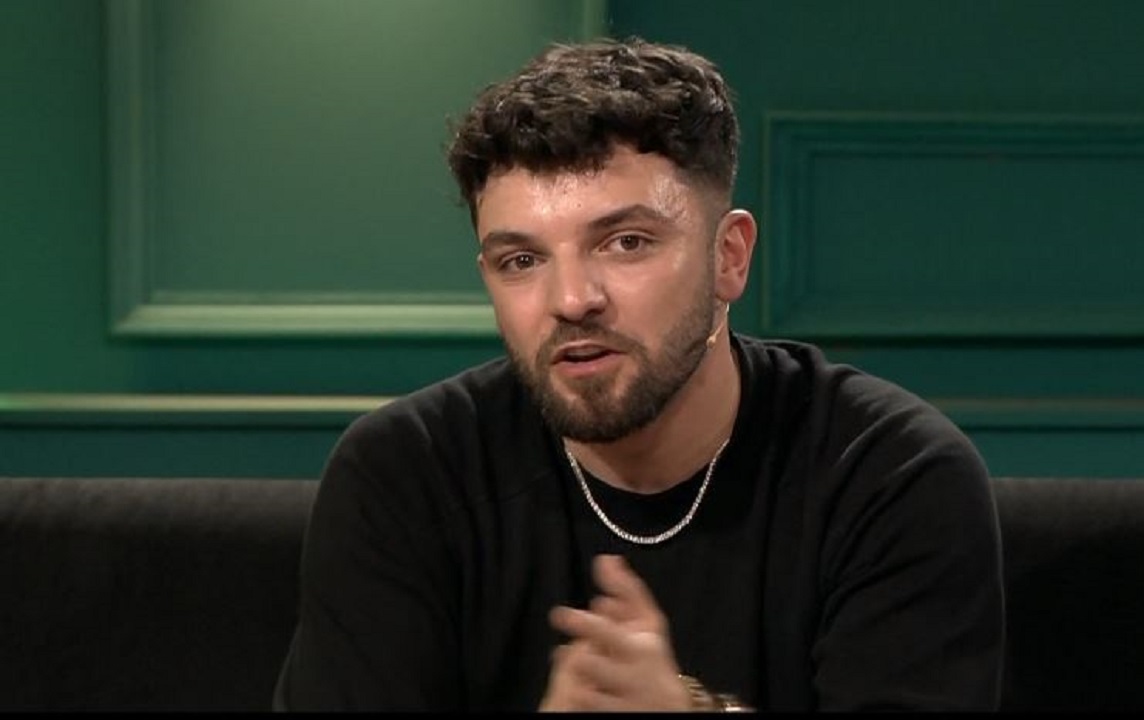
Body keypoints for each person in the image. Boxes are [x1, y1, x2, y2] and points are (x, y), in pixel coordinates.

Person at [272, 36, 1005, 712]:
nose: (571, 300)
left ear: (729, 257)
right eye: (521, 260)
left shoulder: (888, 475)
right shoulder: (406, 474)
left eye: (625, 243)